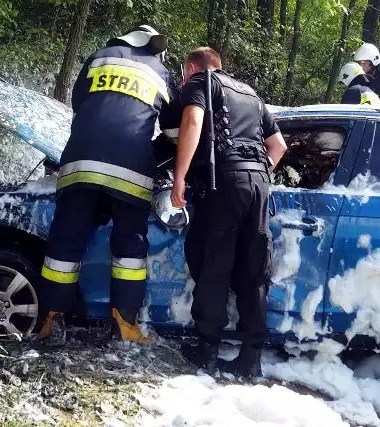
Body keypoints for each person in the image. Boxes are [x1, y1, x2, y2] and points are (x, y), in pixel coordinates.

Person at [38, 25, 180, 344]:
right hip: (131, 172)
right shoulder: (161, 71)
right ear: (154, 47)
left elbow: (81, 107)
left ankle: (51, 320)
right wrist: (148, 152)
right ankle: (125, 325)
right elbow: (174, 135)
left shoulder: (97, 58)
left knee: (64, 243)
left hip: (80, 163)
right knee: (130, 247)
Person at [170, 47, 287, 378]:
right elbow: (278, 146)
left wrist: (180, 177)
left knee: (214, 264)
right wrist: (258, 172)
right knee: (254, 269)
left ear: (192, 67)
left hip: (224, 182)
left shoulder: (200, 81)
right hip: (259, 184)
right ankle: (251, 359)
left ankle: (206, 351)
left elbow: (192, 120)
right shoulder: (252, 95)